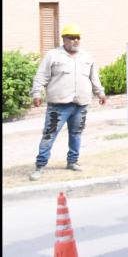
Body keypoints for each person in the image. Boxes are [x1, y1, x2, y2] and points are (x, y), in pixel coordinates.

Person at [28, 24, 107, 181]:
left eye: (78, 37)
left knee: (76, 134)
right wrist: (36, 93)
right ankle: (40, 165)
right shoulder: (53, 56)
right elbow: (41, 76)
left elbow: (94, 77)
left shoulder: (86, 57)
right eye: (71, 37)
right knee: (49, 135)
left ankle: (72, 161)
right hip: (58, 106)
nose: (75, 40)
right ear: (64, 39)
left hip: (80, 104)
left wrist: (100, 93)